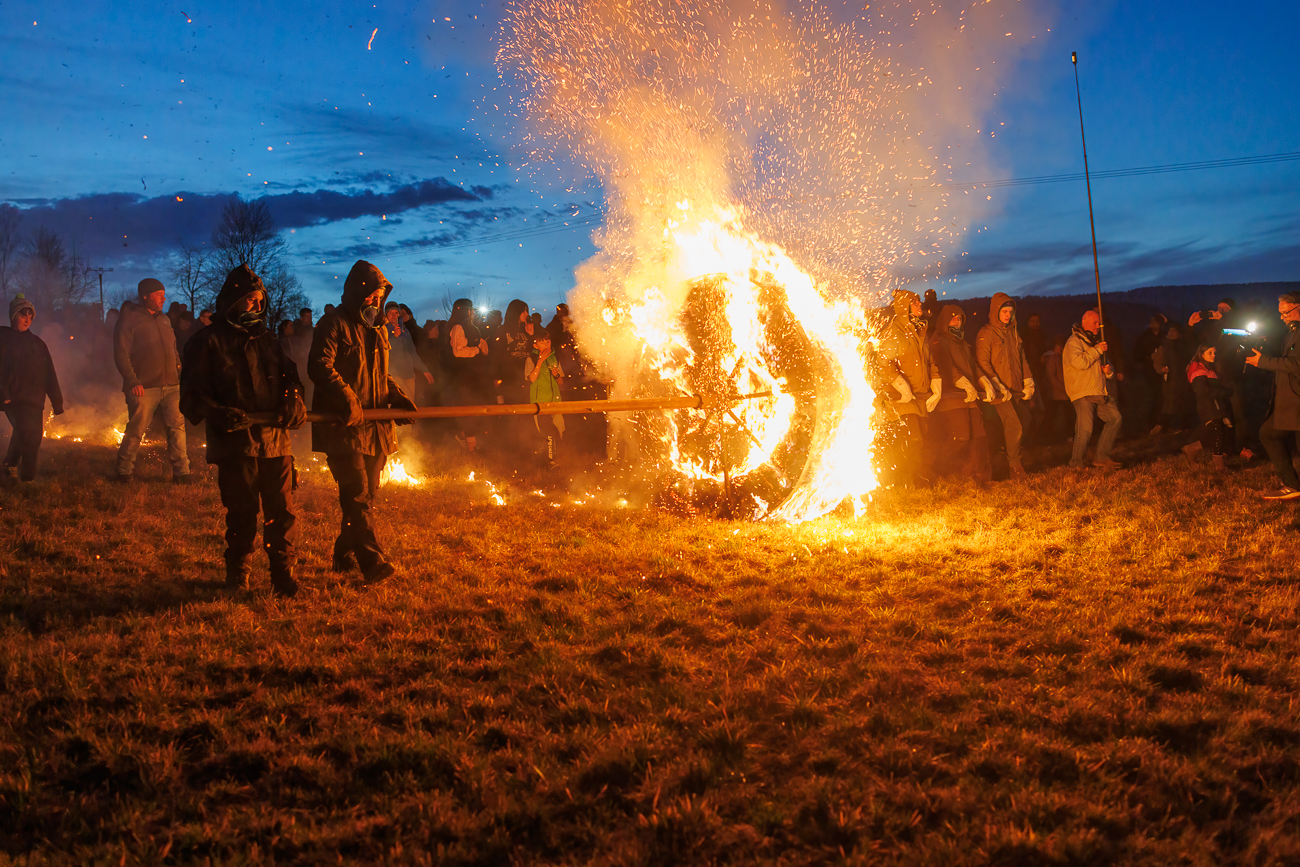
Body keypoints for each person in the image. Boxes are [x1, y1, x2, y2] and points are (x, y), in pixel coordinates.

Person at [180, 265, 307, 596]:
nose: (255, 306)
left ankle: (283, 573)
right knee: (242, 510)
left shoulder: (269, 341)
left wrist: (293, 399)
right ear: (233, 302)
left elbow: (290, 379)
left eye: (259, 300)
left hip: (275, 441)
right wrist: (219, 413)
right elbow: (191, 398)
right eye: (249, 300)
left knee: (282, 510)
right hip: (235, 443)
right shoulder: (206, 343)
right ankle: (239, 571)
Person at [309, 260, 415, 582]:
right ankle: (372, 562)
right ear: (358, 292)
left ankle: (343, 551)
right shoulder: (333, 324)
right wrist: (348, 399)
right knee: (355, 495)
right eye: (371, 295)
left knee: (366, 497)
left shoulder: (379, 329)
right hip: (345, 428)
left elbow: (379, 375)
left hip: (376, 427)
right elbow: (320, 367)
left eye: (380, 296)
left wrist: (395, 394)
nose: (375, 301)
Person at [113, 278, 190, 483]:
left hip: (171, 385)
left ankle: (182, 473)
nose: (164, 298)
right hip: (144, 387)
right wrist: (132, 381)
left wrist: (178, 371)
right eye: (158, 294)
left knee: (177, 428)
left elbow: (173, 349)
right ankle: (124, 470)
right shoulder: (129, 320)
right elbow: (121, 354)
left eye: (164, 294)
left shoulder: (164, 319)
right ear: (145, 296)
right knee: (137, 429)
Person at [0, 294, 64, 483]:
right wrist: (3, 393)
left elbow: (49, 373)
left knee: (34, 437)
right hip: (13, 397)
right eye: (23, 315)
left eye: (30, 315)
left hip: (34, 399)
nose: (27, 319)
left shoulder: (38, 344)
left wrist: (57, 401)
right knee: (25, 431)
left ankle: (16, 469)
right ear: (13, 316)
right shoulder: (3, 339)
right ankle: (23, 475)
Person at [878, 289, 939, 487]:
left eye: (919, 301)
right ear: (905, 307)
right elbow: (884, 363)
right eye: (915, 302)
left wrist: (936, 387)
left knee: (925, 440)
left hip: (921, 396)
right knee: (914, 440)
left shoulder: (921, 330)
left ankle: (916, 476)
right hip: (902, 399)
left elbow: (931, 362)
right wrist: (903, 388)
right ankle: (906, 480)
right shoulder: (894, 333)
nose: (920, 305)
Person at [1245, 291, 1300, 499]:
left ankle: (1292, 486)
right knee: (1268, 433)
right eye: (1280, 313)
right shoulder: (1291, 333)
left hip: (1296, 400)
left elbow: (1296, 364)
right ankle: (1291, 484)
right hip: (1289, 399)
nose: (1282, 317)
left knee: (1270, 434)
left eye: (1285, 312)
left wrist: (1264, 362)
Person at [928, 305, 991, 483]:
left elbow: (973, 365)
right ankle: (938, 468)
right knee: (960, 436)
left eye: (960, 318)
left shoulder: (962, 342)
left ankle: (980, 474)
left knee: (980, 435)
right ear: (945, 320)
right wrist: (965, 384)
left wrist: (984, 382)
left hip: (969, 397)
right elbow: (946, 367)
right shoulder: (938, 340)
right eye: (954, 318)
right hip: (951, 397)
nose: (958, 321)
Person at [975, 293, 1034, 479]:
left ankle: (1008, 454)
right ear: (996, 311)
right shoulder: (987, 333)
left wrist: (1028, 380)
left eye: (1011, 311)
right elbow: (982, 363)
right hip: (1000, 393)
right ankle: (1014, 467)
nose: (1008, 315)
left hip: (1015, 389)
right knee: (1014, 426)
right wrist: (997, 385)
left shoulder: (1013, 332)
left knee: (1026, 420)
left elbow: (1021, 358)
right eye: (1004, 311)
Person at [1064, 309, 1122, 469]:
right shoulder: (1074, 341)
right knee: (1085, 429)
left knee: (1115, 418)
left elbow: (1107, 366)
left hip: (1099, 390)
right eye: (1095, 322)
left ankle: (1101, 457)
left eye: (1099, 322)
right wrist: (1097, 350)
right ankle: (1076, 463)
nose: (1099, 325)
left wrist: (1108, 371)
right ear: (1085, 322)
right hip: (1083, 391)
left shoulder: (1097, 342)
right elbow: (1079, 363)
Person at [443, 298, 490, 453]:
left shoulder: (473, 328)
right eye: (471, 309)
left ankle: (465, 437)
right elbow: (458, 351)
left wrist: (483, 349)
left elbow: (478, 348)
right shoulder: (457, 327)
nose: (473, 312)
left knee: (474, 408)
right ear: (465, 310)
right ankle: (471, 447)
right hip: (462, 378)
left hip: (473, 376)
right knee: (468, 409)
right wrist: (476, 350)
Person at [1182, 344, 1233, 471]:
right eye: (1210, 352)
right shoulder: (1198, 368)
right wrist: (1224, 392)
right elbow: (1202, 390)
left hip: (1215, 404)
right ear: (1201, 354)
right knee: (1218, 432)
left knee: (1215, 433)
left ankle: (1191, 449)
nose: (1213, 355)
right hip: (1208, 405)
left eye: (1214, 352)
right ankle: (1220, 466)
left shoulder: (1209, 368)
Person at [526, 330, 564, 467]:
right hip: (540, 401)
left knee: (557, 430)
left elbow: (560, 382)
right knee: (548, 430)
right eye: (542, 342)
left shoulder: (554, 359)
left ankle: (550, 457)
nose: (546, 344)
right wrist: (540, 362)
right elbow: (532, 378)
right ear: (536, 346)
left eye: (548, 341)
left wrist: (557, 375)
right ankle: (550, 461)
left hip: (555, 400)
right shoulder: (531, 358)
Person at [384, 300, 433, 401]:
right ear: (386, 315)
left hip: (409, 374)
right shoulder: (383, 331)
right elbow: (384, 351)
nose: (393, 315)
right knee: (403, 402)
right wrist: (394, 337)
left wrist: (424, 370)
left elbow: (412, 353)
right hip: (394, 374)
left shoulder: (405, 332)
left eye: (396, 313)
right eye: (390, 313)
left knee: (411, 402)